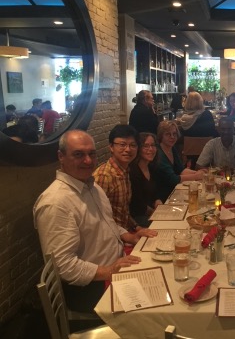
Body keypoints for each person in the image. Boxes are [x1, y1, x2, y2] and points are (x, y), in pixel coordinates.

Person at [33, 130, 156, 312]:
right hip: (91, 289)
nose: (88, 161)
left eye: (91, 154)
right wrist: (109, 271)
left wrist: (130, 236)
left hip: (116, 267)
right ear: (61, 156)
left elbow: (107, 223)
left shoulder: (92, 187)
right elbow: (63, 266)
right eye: (78, 155)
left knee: (165, 272)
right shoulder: (55, 203)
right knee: (157, 305)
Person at [93, 124, 156, 235]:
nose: (128, 149)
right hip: (113, 238)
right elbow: (98, 219)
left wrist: (137, 228)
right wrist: (128, 237)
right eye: (122, 144)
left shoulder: (125, 171)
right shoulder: (104, 176)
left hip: (127, 231)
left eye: (132, 145)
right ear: (111, 147)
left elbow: (123, 212)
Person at [153, 121, 204, 202]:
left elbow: (181, 170)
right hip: (163, 195)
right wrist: (196, 176)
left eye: (174, 134)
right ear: (161, 135)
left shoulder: (171, 148)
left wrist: (199, 173)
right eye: (168, 134)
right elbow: (173, 179)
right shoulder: (159, 153)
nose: (172, 137)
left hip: (174, 190)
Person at [129, 132, 161, 227]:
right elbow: (137, 205)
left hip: (149, 212)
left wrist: (158, 201)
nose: (150, 149)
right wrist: (156, 213)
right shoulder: (133, 171)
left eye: (153, 145)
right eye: (145, 146)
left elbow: (155, 193)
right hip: (136, 218)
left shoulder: (151, 167)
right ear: (138, 148)